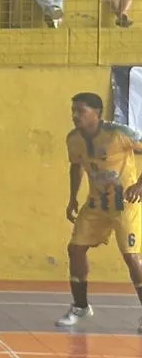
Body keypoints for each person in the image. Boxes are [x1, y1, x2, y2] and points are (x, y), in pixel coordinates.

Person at [57, 92, 142, 330]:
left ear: (97, 113)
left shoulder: (120, 134)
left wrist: (140, 184)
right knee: (75, 249)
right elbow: (76, 166)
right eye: (73, 110)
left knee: (132, 258)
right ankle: (81, 307)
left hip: (125, 204)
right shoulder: (73, 139)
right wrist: (72, 197)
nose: (75, 115)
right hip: (96, 205)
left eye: (81, 111)